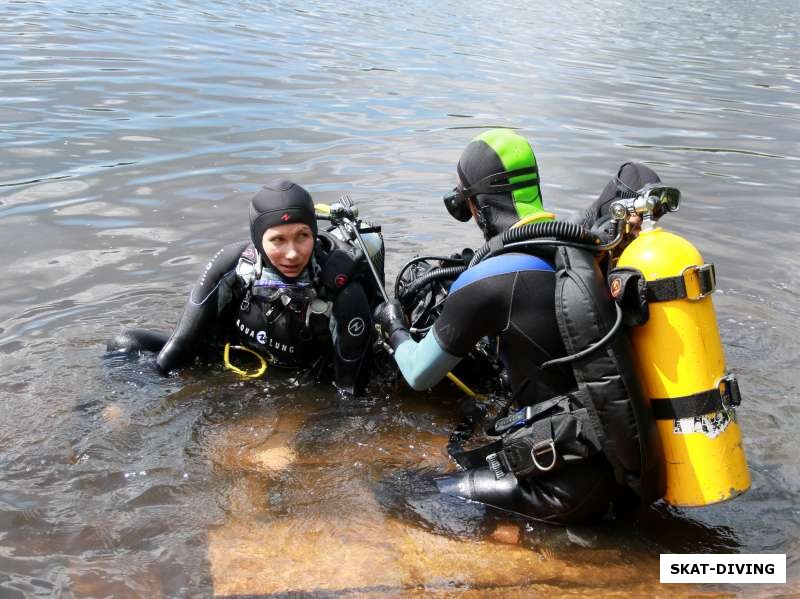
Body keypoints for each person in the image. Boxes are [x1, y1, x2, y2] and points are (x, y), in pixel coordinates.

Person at [375, 129, 664, 524]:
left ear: (474, 205)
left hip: (563, 486)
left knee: (396, 492)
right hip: (622, 463)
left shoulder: (488, 281)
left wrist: (394, 327)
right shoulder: (580, 249)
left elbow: (417, 373)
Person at [109, 179, 383, 396]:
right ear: (257, 239)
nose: (292, 253)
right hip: (235, 359)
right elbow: (180, 347)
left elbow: (348, 392)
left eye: (302, 236)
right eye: (278, 240)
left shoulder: (342, 287)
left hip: (307, 377)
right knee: (124, 343)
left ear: (314, 233)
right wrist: (130, 402)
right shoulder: (233, 266)